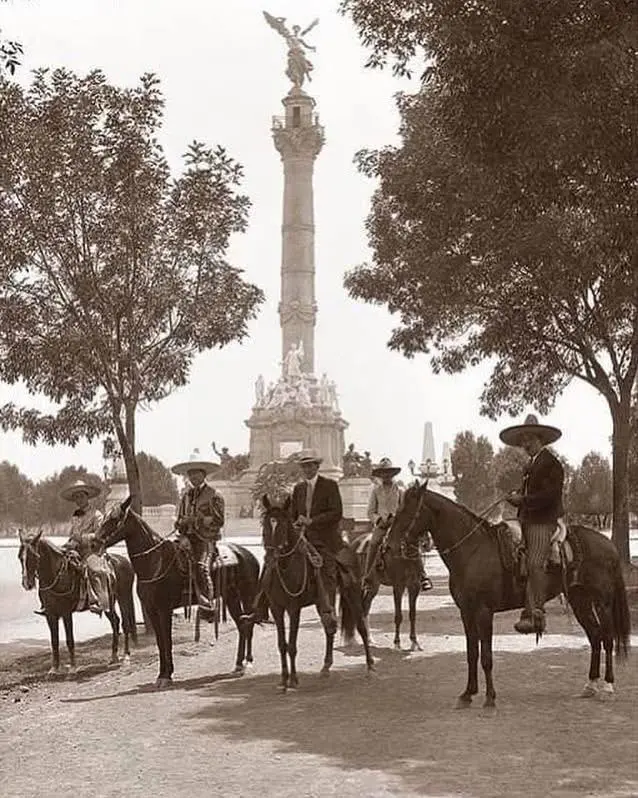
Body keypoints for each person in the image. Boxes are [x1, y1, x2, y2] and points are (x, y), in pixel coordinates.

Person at [242, 449, 344, 629]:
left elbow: (336, 512)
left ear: (317, 466)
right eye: (304, 466)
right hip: (302, 537)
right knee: (271, 560)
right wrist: (292, 523)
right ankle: (259, 606)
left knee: (325, 567)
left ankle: (328, 609)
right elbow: (293, 513)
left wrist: (312, 521)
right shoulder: (298, 488)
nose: (307, 469)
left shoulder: (330, 485)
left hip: (324, 537)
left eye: (311, 465)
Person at [500, 413, 565, 635]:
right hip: (527, 519)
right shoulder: (530, 465)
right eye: (523, 441)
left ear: (540, 439)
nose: (525, 444)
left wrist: (523, 500)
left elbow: (549, 496)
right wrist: (517, 496)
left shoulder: (552, 464)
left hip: (543, 521)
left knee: (535, 562)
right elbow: (531, 493)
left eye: (528, 439)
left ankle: (535, 612)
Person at [36, 479, 110, 616]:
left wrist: (81, 539)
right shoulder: (75, 516)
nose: (79, 499)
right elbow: (72, 535)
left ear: (87, 497)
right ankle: (50, 602)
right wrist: (67, 544)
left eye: (81, 496)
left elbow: (100, 535)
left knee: (93, 569)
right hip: (75, 550)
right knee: (55, 565)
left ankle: (98, 600)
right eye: (76, 497)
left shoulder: (97, 515)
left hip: (92, 550)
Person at [362, 458, 433, 593]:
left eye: (388, 473)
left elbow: (405, 509)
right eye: (383, 473)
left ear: (392, 474)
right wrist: (378, 520)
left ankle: (422, 575)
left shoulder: (400, 490)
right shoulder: (376, 491)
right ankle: (368, 577)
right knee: (374, 543)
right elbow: (370, 511)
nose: (386, 476)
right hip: (382, 525)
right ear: (380, 475)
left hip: (398, 526)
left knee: (412, 544)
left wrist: (398, 519)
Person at [171, 453, 225, 621]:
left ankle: (208, 604)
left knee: (201, 566)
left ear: (203, 474)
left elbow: (218, 520)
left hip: (205, 539)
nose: (193, 477)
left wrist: (198, 520)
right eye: (190, 474)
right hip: (187, 539)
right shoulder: (186, 496)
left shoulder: (214, 494)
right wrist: (181, 524)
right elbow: (179, 519)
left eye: (196, 473)